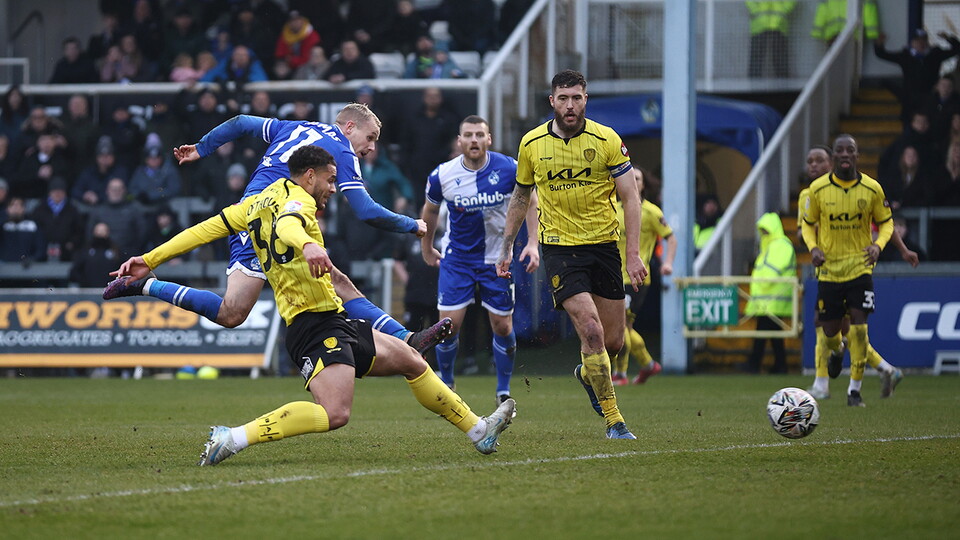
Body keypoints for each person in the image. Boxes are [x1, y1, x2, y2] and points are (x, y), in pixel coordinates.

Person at [108, 146, 515, 465]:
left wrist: (151, 258)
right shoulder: (298, 203)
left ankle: (479, 431)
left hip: (331, 318)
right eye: (330, 179)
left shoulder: (252, 204)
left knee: (412, 360)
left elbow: (202, 230)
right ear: (309, 176)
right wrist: (305, 242)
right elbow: (287, 223)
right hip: (312, 327)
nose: (333, 187)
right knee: (335, 413)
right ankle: (231, 438)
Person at [103, 104, 451, 354]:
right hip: (281, 215)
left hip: (250, 212)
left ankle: (145, 285)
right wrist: (414, 225)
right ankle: (406, 339)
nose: (372, 146)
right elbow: (365, 210)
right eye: (370, 136)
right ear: (349, 127)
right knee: (337, 282)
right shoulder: (342, 151)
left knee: (232, 312)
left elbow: (240, 121)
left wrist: (203, 148)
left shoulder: (295, 128)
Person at [497, 70, 647, 439]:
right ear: (552, 101)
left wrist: (632, 254)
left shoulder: (607, 139)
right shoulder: (532, 143)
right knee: (591, 331)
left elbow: (631, 197)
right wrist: (505, 246)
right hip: (561, 249)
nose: (569, 105)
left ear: (585, 99)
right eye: (562, 98)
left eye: (576, 98)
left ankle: (587, 373)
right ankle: (615, 420)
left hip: (604, 247)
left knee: (613, 342)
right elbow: (520, 197)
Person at [421, 115, 540, 403]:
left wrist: (533, 244)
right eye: (468, 135)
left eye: (479, 135)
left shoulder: (509, 168)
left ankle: (503, 390)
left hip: (497, 258)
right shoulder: (442, 175)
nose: (474, 140)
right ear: (459, 141)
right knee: (448, 325)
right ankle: (447, 384)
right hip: (457, 259)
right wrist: (426, 248)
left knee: (502, 325)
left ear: (489, 139)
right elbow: (430, 211)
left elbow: (531, 200)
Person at [799, 144, 916, 401]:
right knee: (832, 331)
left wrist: (888, 247)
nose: (813, 166)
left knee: (858, 329)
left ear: (832, 161)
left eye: (819, 160)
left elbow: (886, 222)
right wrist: (813, 247)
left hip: (859, 268)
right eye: (809, 161)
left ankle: (848, 389)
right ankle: (882, 368)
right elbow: (805, 228)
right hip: (828, 271)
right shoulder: (811, 194)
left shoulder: (869, 188)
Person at [612, 167, 676, 385]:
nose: (633, 181)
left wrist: (667, 263)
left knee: (621, 326)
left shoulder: (651, 212)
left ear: (644, 185)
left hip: (636, 278)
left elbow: (671, 238)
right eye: (629, 177)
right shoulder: (613, 208)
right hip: (613, 276)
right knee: (623, 327)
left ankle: (620, 374)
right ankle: (648, 365)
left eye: (637, 178)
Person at [744, 212, 796, 374]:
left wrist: (761, 283)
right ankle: (779, 365)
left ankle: (756, 363)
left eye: (766, 230)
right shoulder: (769, 246)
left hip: (774, 297)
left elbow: (771, 272)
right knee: (772, 334)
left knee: (765, 332)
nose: (764, 234)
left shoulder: (780, 245)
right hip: (768, 299)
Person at [875, 29, 960, 124]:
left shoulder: (935, 54)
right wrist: (879, 43)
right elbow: (882, 54)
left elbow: (957, 49)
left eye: (923, 40)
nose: (921, 43)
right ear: (912, 42)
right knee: (908, 123)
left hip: (930, 98)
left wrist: (949, 38)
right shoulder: (905, 56)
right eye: (918, 41)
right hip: (910, 99)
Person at [745, 1, 796, 78]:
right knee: (756, 61)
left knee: (780, 60)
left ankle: (783, 87)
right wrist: (755, 11)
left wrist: (783, 11)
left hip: (778, 24)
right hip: (760, 24)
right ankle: (753, 87)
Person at [811, 0, 879, 46]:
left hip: (834, 37)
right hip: (851, 36)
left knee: (834, 64)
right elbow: (869, 11)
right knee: (849, 64)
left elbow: (821, 11)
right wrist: (872, 33)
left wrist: (817, 32)